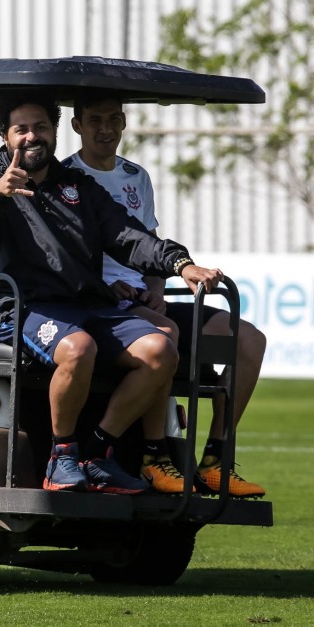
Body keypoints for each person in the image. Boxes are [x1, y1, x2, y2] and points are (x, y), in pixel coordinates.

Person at [0, 91, 224, 495]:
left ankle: (96, 452)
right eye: (21, 129)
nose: (31, 137)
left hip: (85, 305)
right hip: (22, 308)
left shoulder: (78, 186)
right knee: (79, 348)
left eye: (40, 127)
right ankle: (61, 457)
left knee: (161, 350)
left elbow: (129, 236)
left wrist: (181, 264)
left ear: (55, 131)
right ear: (5, 137)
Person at [64, 95, 266, 497]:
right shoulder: (66, 177)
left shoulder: (135, 175)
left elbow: (148, 243)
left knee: (248, 340)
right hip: (102, 302)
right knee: (166, 331)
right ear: (77, 126)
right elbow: (64, 254)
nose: (105, 128)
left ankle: (215, 460)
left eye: (113, 119)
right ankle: (155, 457)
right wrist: (106, 285)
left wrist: (157, 284)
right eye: (95, 119)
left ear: (123, 123)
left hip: (144, 295)